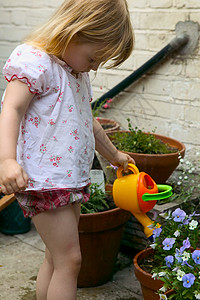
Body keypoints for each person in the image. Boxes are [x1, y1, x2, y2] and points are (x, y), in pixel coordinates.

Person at [0, 0, 135, 299]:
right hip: (45, 179)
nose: (95, 66)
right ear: (75, 32)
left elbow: (90, 123)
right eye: (94, 58)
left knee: (55, 257)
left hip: (67, 180)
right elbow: (11, 108)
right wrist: (7, 159)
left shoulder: (75, 74)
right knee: (70, 260)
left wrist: (114, 156)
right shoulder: (35, 61)